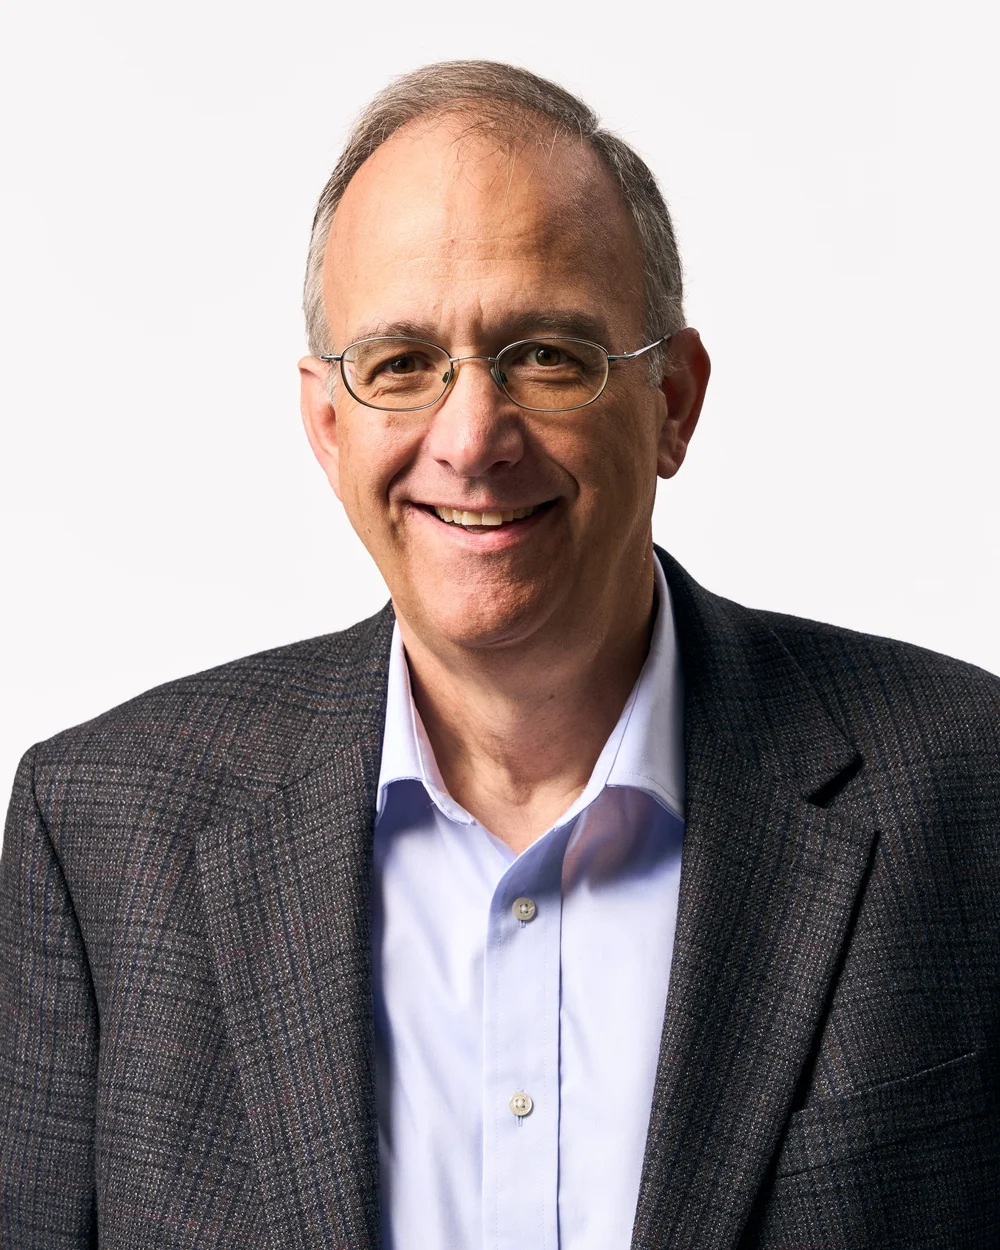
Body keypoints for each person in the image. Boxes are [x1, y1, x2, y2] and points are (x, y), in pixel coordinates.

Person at [1, 58, 997, 1250]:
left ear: (673, 400)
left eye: (547, 354)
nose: (470, 438)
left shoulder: (966, 786)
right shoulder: (103, 830)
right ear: (328, 422)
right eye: (401, 363)